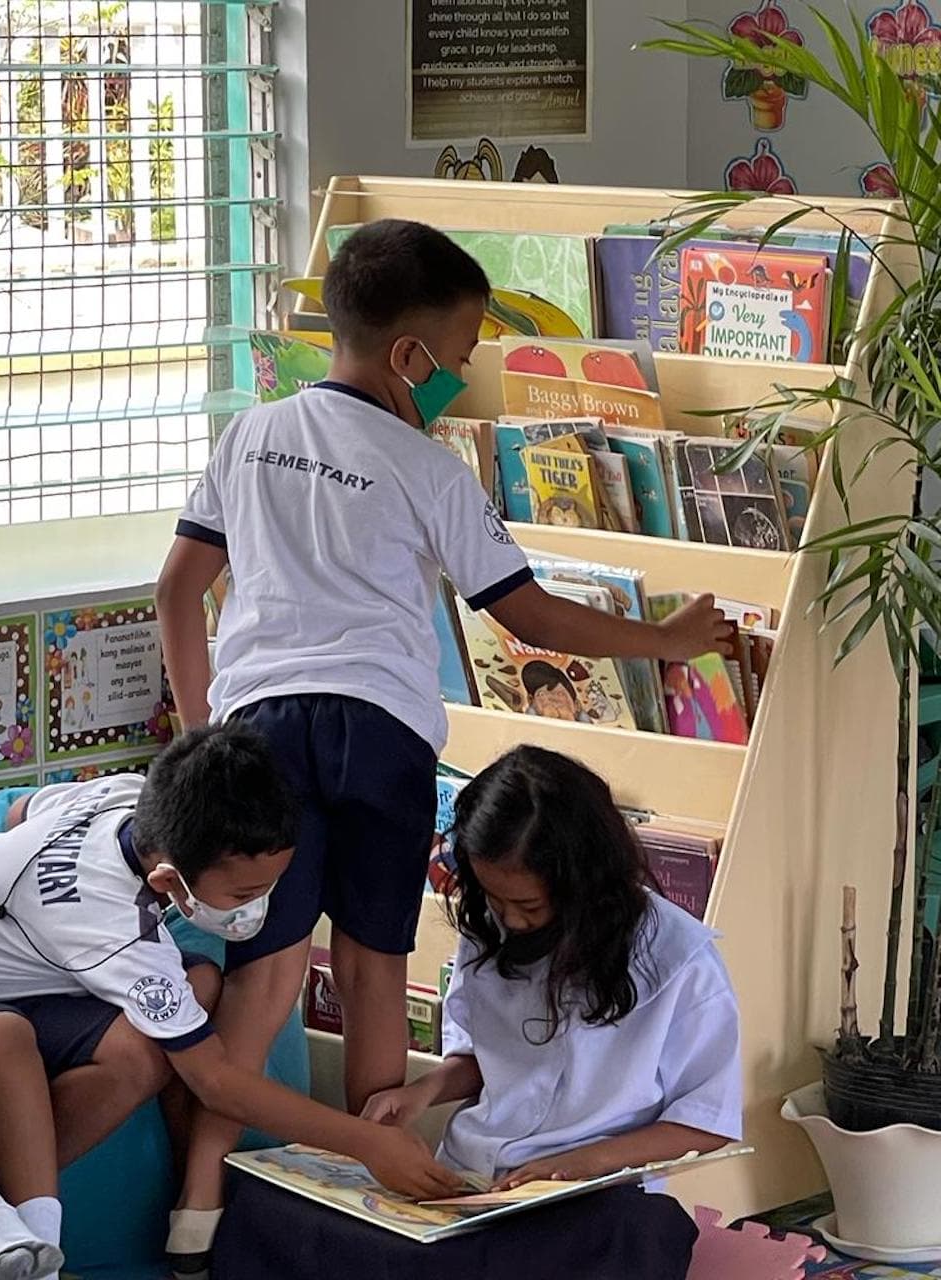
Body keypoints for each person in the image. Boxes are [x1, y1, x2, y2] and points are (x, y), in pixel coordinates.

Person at [155, 217, 733, 1271]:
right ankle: (387, 1179)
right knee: (376, 966)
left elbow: (179, 590)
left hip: (263, 729)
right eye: (461, 358)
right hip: (380, 729)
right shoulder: (428, 470)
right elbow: (535, 621)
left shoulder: (249, 433)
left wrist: (204, 741)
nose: (458, 381)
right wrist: (668, 636)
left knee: (268, 973)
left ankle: (202, 1201)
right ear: (411, 355)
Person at [0, 725, 459, 1280]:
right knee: (162, 1038)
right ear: (166, 880)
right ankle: (23, 1228)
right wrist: (368, 1143)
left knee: (196, 989)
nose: (257, 908)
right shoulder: (119, 934)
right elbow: (217, 1081)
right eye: (242, 895)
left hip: (27, 979)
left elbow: (18, 814)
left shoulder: (119, 797)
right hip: (2, 1003)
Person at [362, 746, 742, 1279]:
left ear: (584, 883)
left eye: (530, 907)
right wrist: (421, 1092)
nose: (511, 921)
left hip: (589, 1198)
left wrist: (582, 1163)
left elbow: (707, 1121)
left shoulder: (680, 960)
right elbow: (483, 1058)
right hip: (474, 1183)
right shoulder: (487, 931)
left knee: (642, 1231)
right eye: (496, 902)